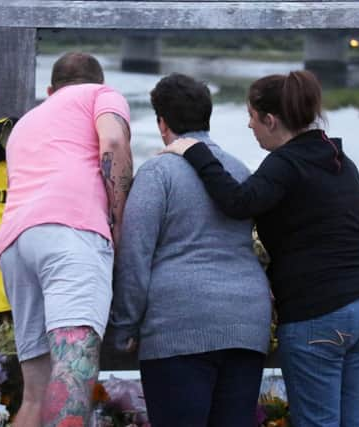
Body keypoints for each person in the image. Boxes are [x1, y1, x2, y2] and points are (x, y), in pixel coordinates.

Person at [163, 70, 359, 427]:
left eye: (252, 118)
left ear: (271, 119)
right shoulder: (339, 161)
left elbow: (238, 201)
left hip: (318, 314)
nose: (250, 127)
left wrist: (195, 150)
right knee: (355, 421)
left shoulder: (285, 163)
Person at [110, 73, 272, 427]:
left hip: (178, 326)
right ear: (206, 116)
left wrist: (124, 328)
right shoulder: (239, 170)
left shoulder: (158, 173)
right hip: (246, 323)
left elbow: (135, 257)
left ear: (162, 122)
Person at [0, 52, 132, 427]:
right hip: (70, 233)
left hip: (14, 244)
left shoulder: (26, 124)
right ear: (97, 80)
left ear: (51, 90)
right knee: (74, 365)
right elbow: (114, 143)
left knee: (35, 394)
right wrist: (118, 223)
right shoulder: (101, 94)